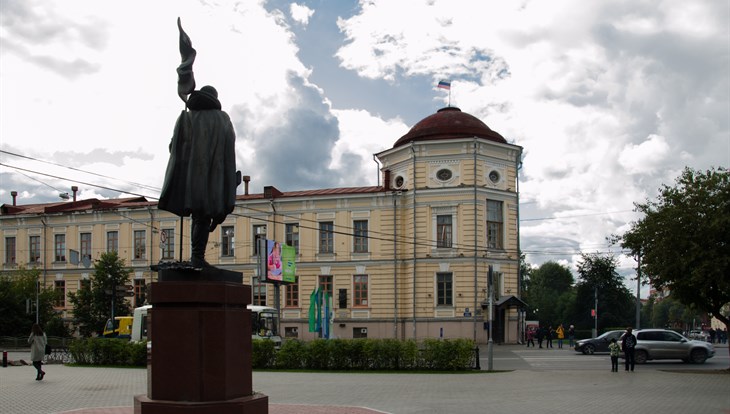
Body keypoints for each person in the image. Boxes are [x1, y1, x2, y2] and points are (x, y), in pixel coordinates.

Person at [158, 85, 238, 268]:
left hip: (191, 179)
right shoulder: (223, 119)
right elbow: (229, 152)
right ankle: (197, 256)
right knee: (204, 216)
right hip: (213, 178)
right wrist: (228, 183)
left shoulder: (187, 117)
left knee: (198, 216)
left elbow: (173, 149)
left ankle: (197, 256)